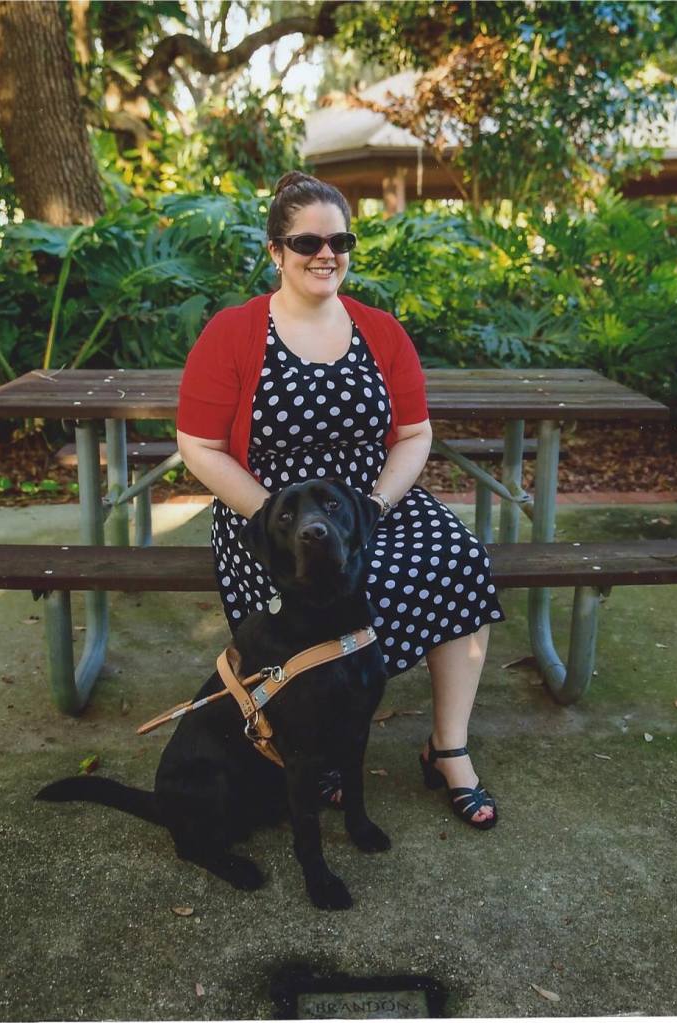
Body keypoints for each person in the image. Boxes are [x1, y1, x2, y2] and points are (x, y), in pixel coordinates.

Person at [176, 171, 505, 830]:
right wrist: (275, 517)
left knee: (459, 560)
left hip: (367, 503)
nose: (326, 252)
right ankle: (315, 747)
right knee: (320, 591)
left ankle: (448, 747)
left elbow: (414, 434)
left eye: (340, 238)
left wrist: (378, 505)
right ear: (276, 251)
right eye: (307, 241)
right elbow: (199, 444)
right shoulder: (234, 332)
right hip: (273, 514)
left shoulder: (379, 332)